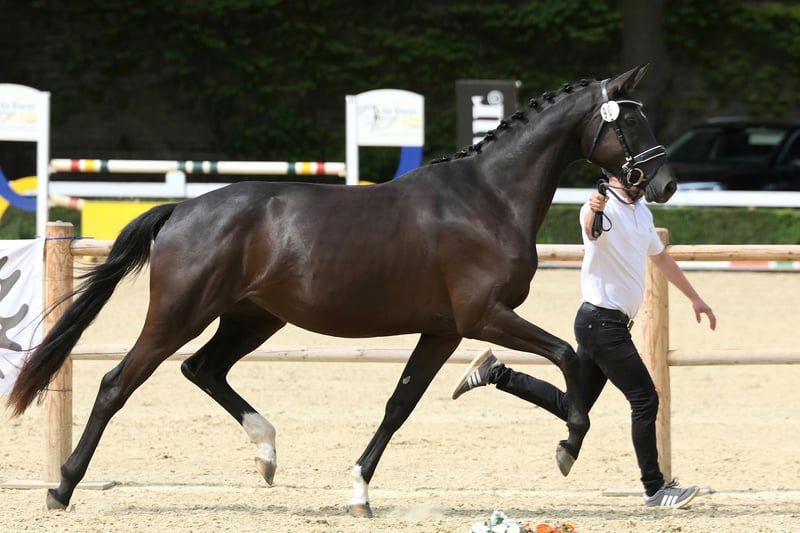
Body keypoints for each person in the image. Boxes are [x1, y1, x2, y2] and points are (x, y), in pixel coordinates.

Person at [451, 174, 716, 509]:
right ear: (612, 177)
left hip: (604, 324)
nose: (641, 181)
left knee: (571, 406)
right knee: (645, 399)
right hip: (602, 324)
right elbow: (591, 229)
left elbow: (660, 258)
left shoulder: (642, 213)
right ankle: (655, 489)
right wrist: (594, 209)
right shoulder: (601, 208)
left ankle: (495, 373)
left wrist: (695, 298)